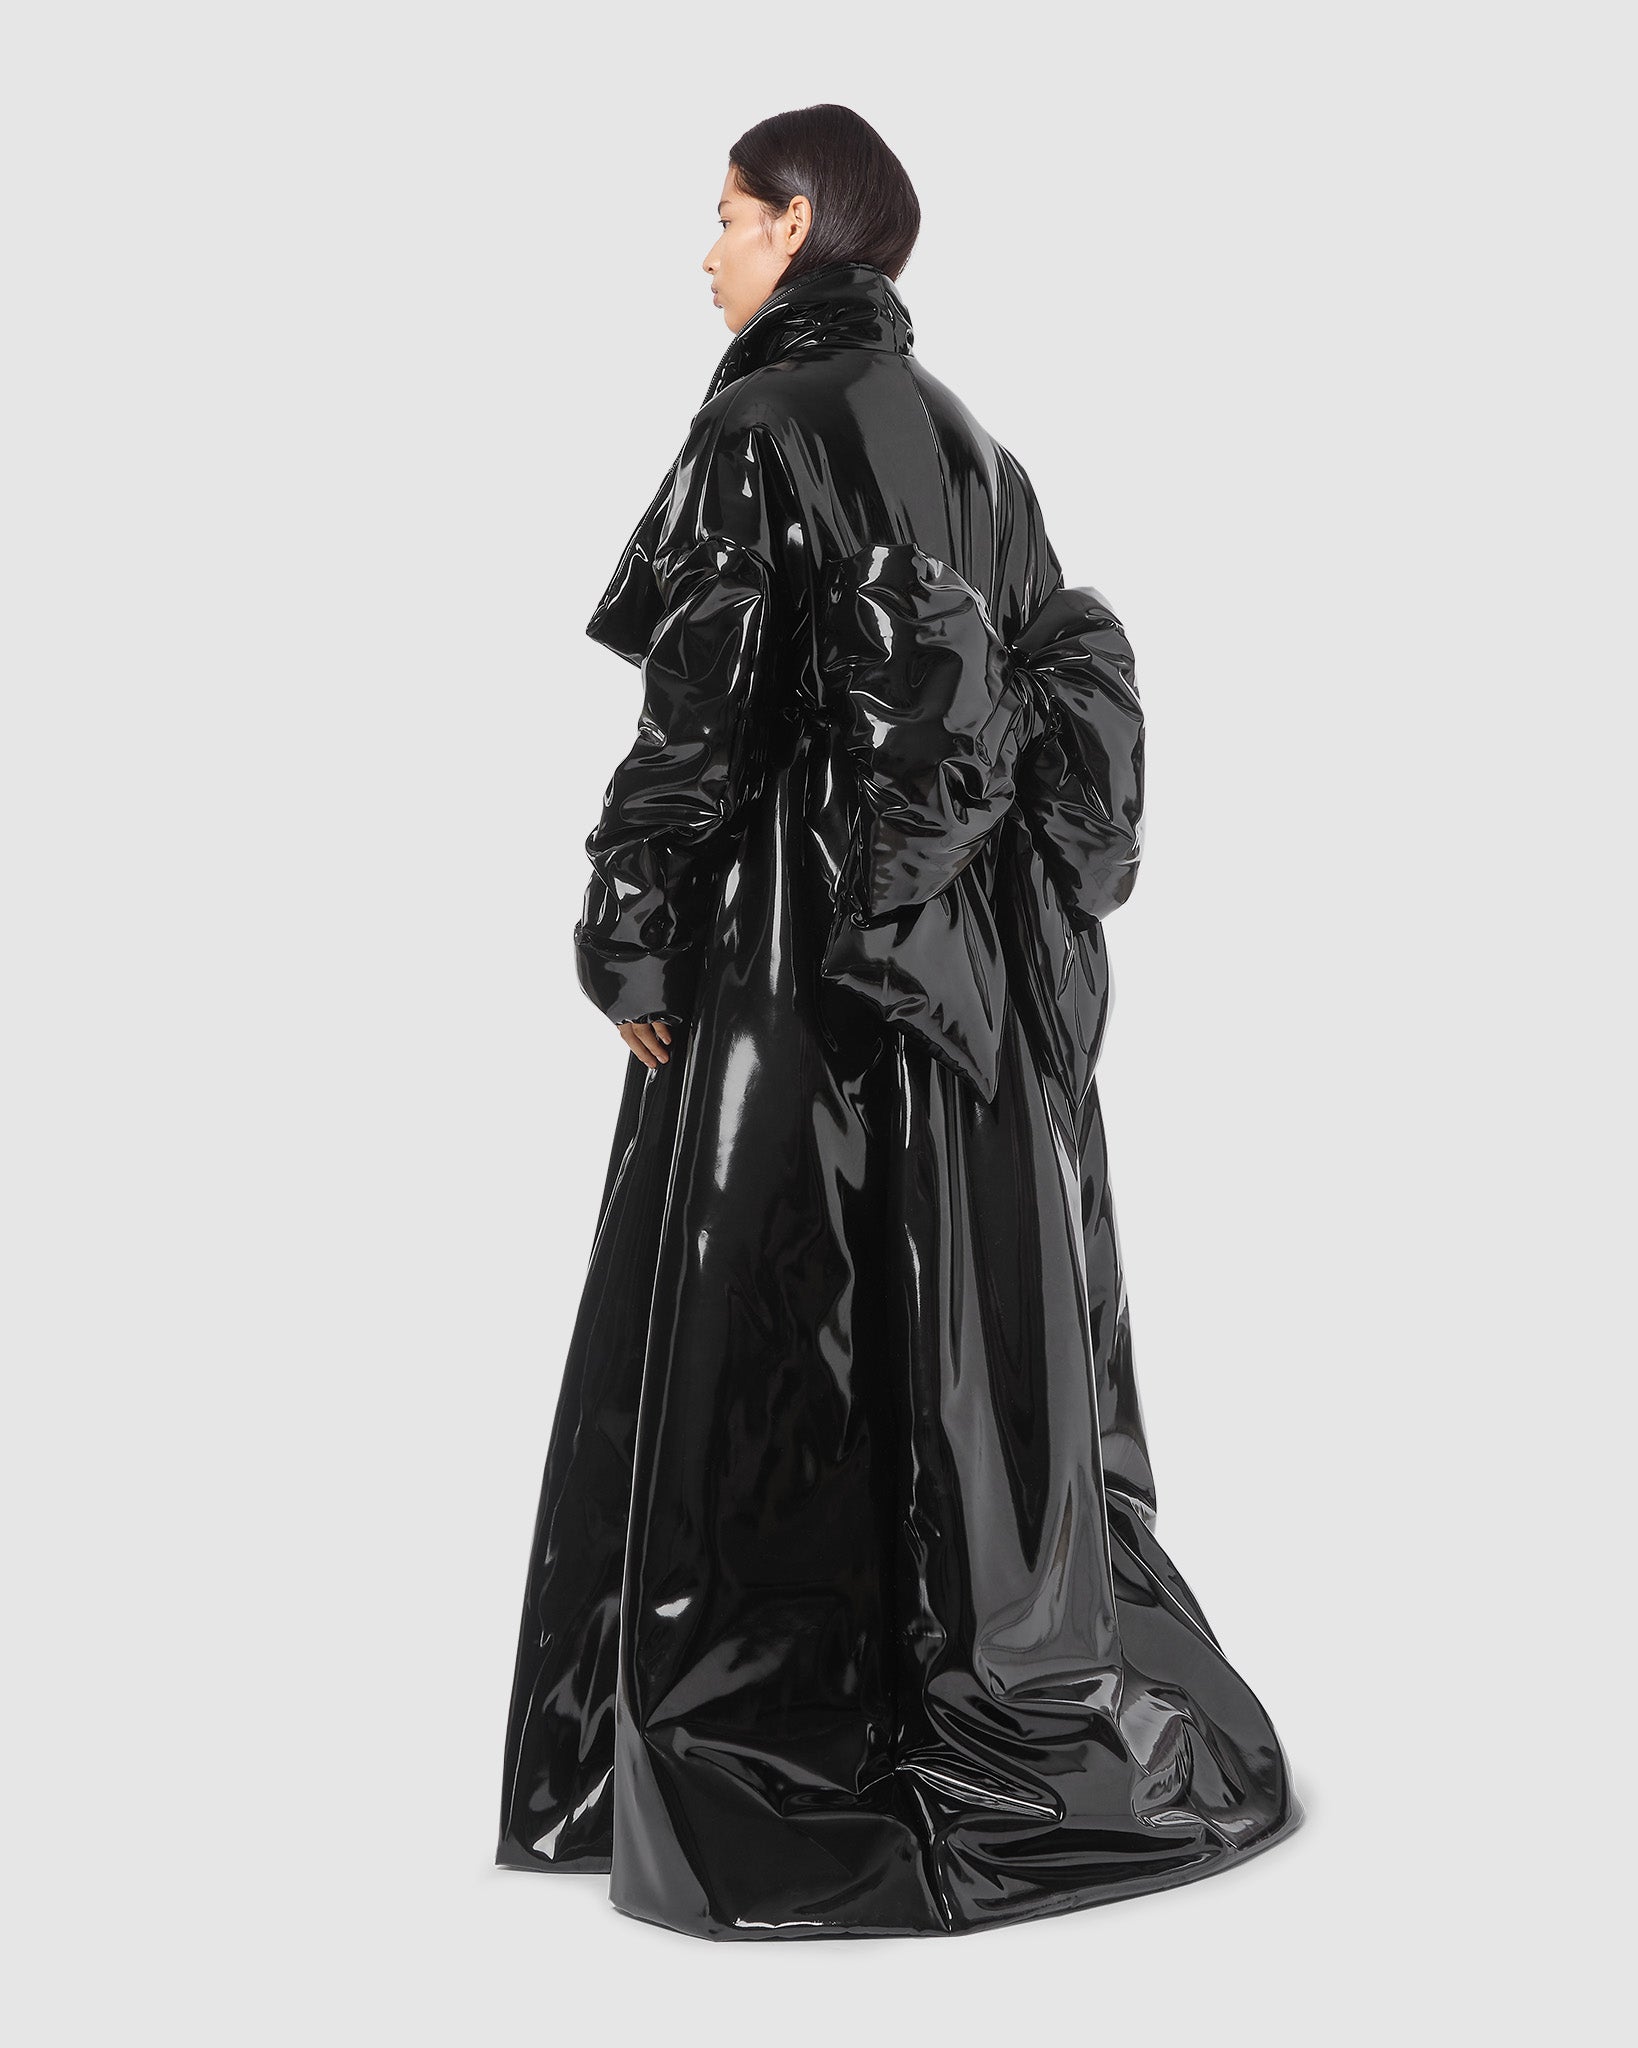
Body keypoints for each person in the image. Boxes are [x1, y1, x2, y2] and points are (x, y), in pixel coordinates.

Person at [496, 103, 1303, 1941]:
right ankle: (987, 1693)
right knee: (946, 1311)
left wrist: (628, 923)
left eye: (725, 216)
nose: (704, 252)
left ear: (799, 225)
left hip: (800, 935)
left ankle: (771, 1760)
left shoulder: (757, 423)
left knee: (761, 1314)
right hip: (958, 967)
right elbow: (1007, 711)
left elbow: (702, 711)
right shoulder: (975, 444)